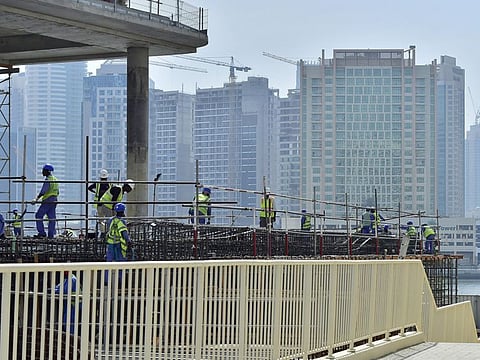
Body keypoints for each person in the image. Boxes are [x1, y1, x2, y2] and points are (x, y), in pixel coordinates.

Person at [32, 163, 59, 239]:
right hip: (54, 200)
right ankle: (51, 235)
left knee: (38, 216)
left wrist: (36, 199)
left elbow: (43, 191)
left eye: (43, 170)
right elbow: (57, 192)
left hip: (47, 200)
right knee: (52, 218)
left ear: (48, 171)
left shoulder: (48, 180)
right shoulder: (55, 179)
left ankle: (42, 233)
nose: (42, 172)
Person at [88, 169, 111, 236]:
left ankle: (103, 233)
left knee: (101, 220)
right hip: (107, 205)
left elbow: (89, 188)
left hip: (100, 204)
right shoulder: (109, 184)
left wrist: (95, 192)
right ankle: (108, 232)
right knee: (108, 219)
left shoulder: (97, 184)